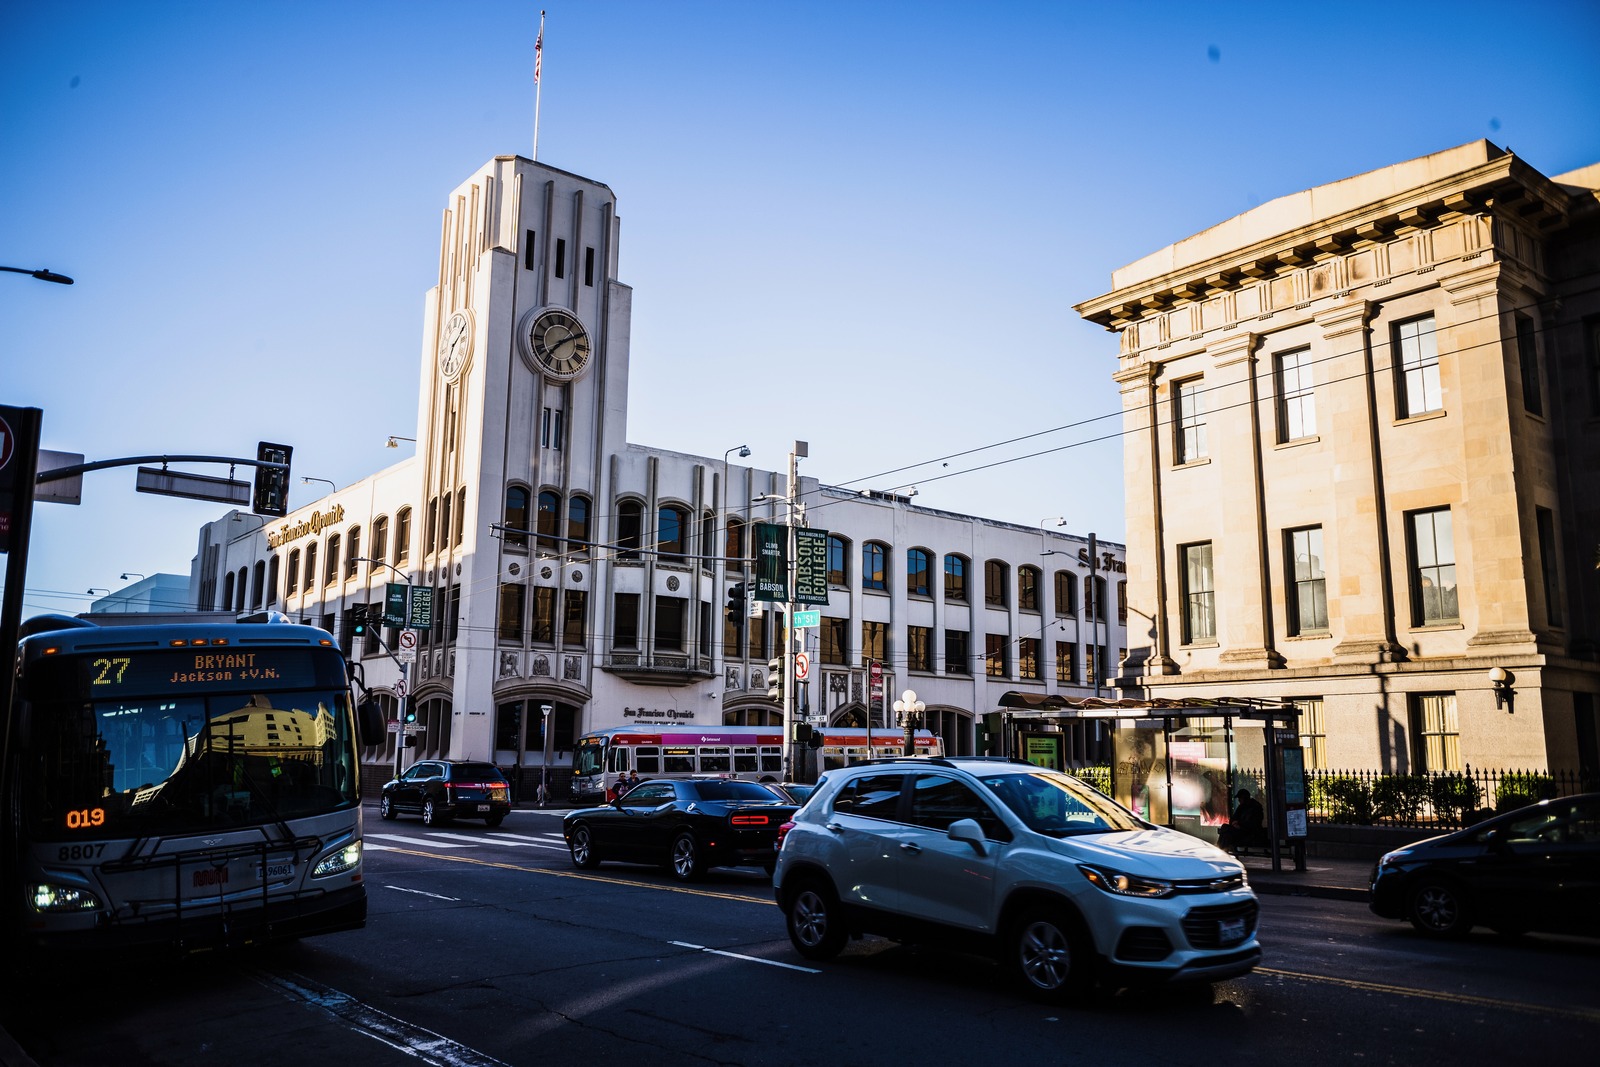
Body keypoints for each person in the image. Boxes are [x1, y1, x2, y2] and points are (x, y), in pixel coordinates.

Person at [1218, 788, 1266, 854]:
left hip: (1249, 833)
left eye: (1240, 798)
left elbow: (1253, 824)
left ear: (1244, 798)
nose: (1239, 800)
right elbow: (1233, 818)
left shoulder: (1255, 807)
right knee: (1225, 828)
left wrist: (1239, 824)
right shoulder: (1241, 807)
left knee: (1227, 833)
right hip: (1240, 830)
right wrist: (1234, 823)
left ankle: (1221, 849)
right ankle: (1221, 849)